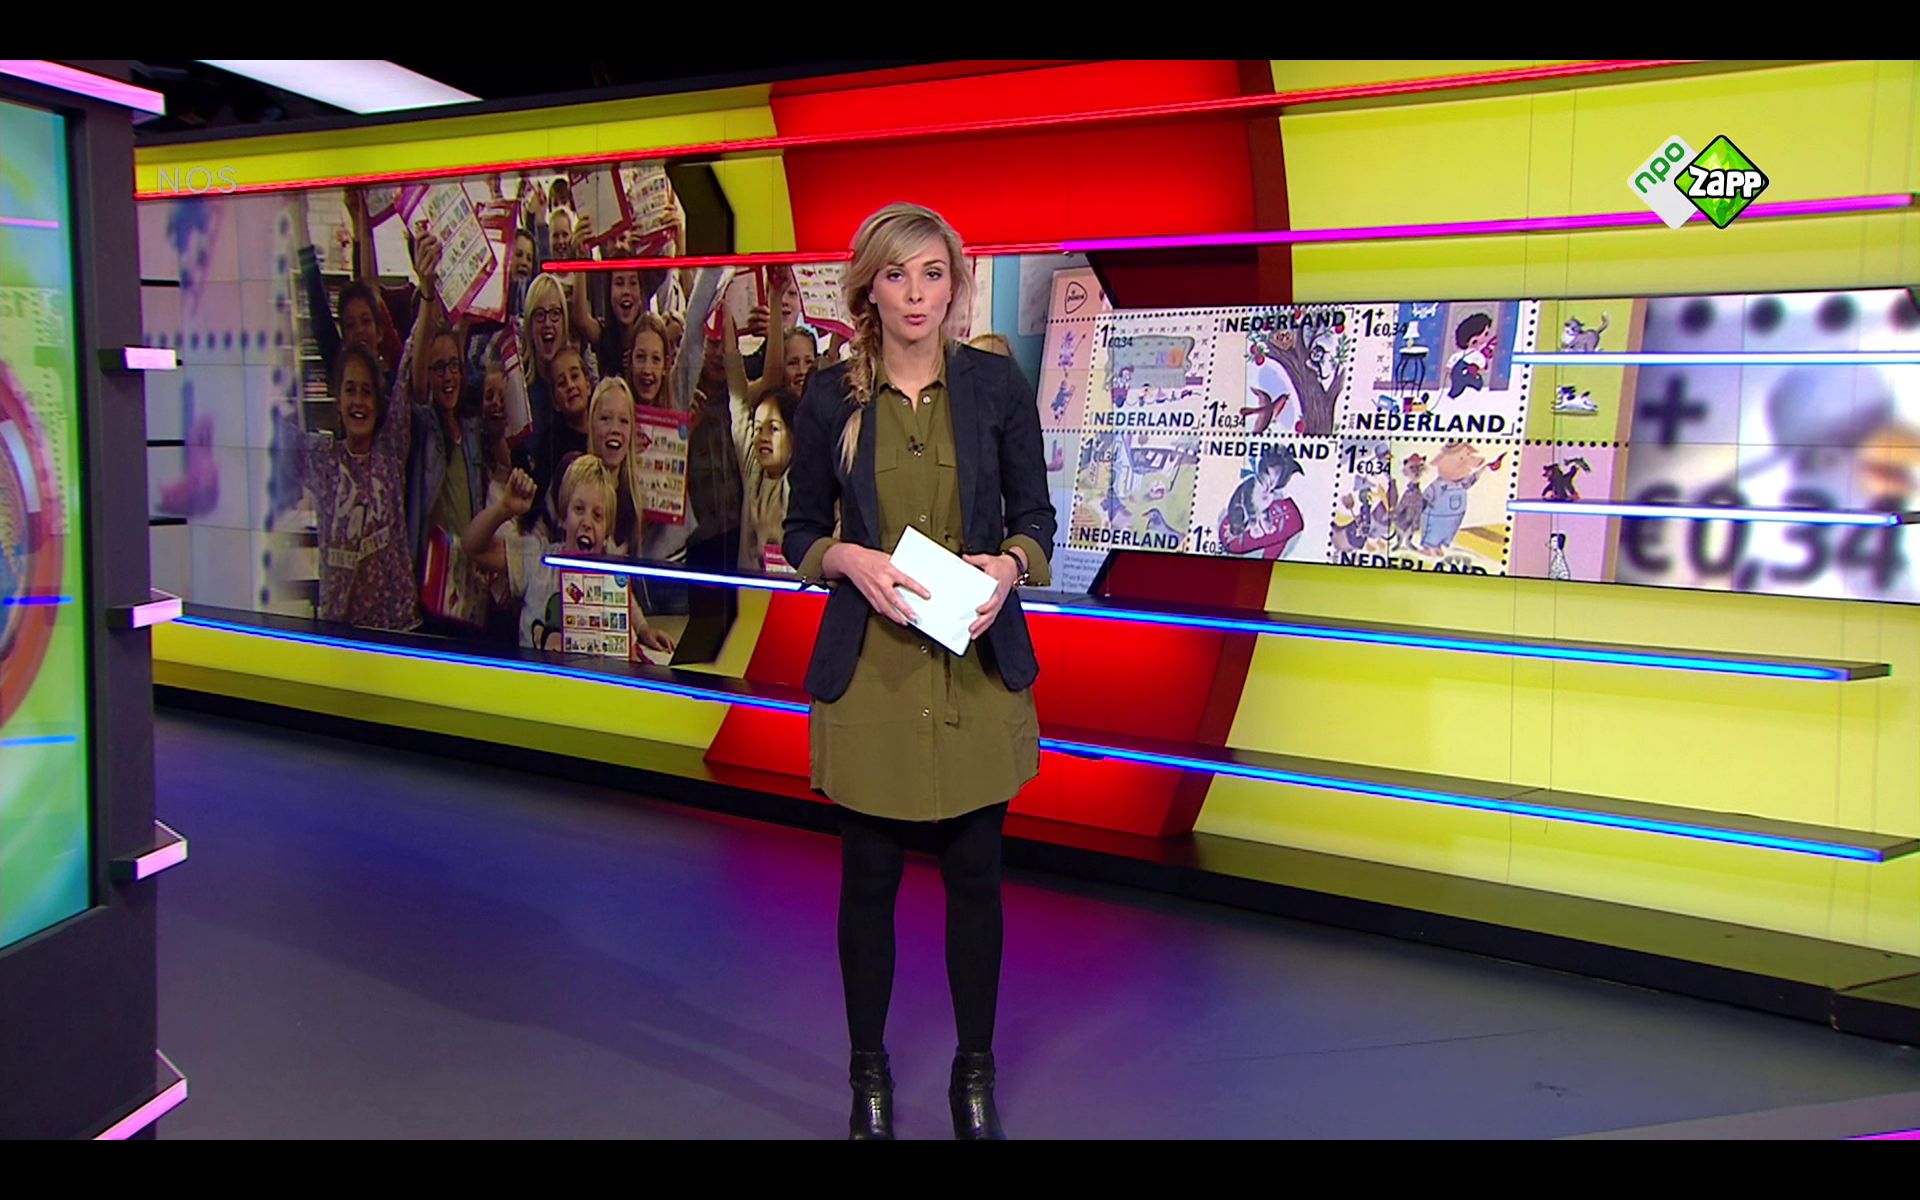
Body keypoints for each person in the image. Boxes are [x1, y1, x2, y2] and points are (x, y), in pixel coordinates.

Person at [782, 202, 1055, 1141]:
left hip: (974, 666)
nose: (915, 293)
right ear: (869, 288)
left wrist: (1009, 566)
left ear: (954, 286)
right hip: (873, 669)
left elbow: (1036, 516)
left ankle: (972, 1077)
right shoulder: (832, 396)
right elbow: (798, 530)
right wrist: (845, 559)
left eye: (932, 274)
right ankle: (869, 1078)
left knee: (977, 875)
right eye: (896, 275)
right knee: (868, 878)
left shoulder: (994, 385)